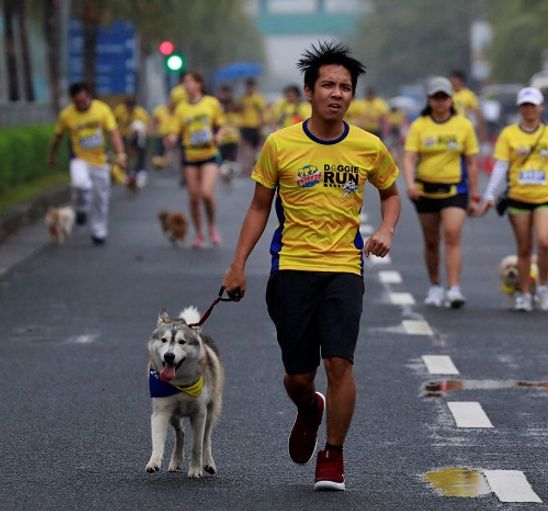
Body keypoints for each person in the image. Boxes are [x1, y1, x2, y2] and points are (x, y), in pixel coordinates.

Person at [222, 41, 400, 491]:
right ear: (309, 90)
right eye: (328, 85)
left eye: (345, 87)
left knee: (340, 362)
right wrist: (238, 264)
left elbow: (392, 193)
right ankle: (308, 407)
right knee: (299, 376)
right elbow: (259, 208)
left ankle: (333, 455)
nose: (337, 94)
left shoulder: (368, 146)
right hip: (292, 269)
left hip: (344, 268)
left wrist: (387, 229)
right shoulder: (280, 144)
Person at [479, 87, 548, 311]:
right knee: (524, 248)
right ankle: (524, 294)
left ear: (540, 107)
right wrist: (489, 195)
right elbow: (500, 166)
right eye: (525, 106)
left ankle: (542, 290)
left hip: (544, 196)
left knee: (544, 243)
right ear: (519, 108)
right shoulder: (508, 135)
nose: (529, 110)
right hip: (517, 197)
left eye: (533, 106)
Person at [403, 77, 479, 308]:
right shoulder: (420, 125)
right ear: (429, 100)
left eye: (444, 97)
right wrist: (409, 183)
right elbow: (409, 157)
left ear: (451, 100)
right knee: (431, 241)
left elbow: (472, 161)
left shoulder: (463, 125)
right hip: (425, 191)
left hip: (455, 190)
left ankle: (454, 287)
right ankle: (435, 285)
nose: (440, 102)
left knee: (452, 235)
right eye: (436, 98)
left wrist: (475, 195)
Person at [49, 82, 125, 246]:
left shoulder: (102, 110)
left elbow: (113, 133)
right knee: (80, 184)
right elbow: (58, 137)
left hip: (99, 160)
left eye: (84, 101)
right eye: (77, 102)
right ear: (72, 100)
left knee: (100, 197)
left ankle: (99, 231)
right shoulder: (67, 115)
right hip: (79, 159)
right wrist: (53, 156)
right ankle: (81, 208)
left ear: (89, 96)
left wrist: (120, 154)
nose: (81, 105)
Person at [170, 72, 226, 248]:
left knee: (206, 194)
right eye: (185, 83)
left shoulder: (211, 103)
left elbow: (222, 124)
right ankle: (199, 234)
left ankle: (211, 227)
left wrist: (219, 135)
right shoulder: (181, 108)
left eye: (190, 82)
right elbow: (175, 130)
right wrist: (171, 138)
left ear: (199, 84)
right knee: (194, 198)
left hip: (209, 154)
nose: (187, 86)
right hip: (190, 155)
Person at [113, 96, 150, 186]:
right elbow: (113, 123)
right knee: (122, 153)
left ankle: (140, 170)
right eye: (128, 107)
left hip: (135, 136)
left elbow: (145, 127)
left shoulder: (140, 113)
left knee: (141, 149)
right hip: (122, 135)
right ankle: (123, 171)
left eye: (132, 108)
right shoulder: (119, 111)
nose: (129, 110)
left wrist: (139, 134)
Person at [237, 78, 266, 171]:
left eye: (251, 87)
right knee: (247, 147)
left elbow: (261, 113)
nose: (249, 89)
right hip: (245, 125)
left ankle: (254, 166)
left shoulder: (258, 98)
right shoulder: (243, 99)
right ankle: (249, 167)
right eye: (247, 87)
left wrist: (261, 126)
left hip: (255, 125)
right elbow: (239, 111)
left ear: (254, 87)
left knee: (255, 148)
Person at [450, 70, 487, 142]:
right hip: (449, 127)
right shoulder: (448, 94)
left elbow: (477, 113)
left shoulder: (468, 95)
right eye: (451, 80)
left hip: (463, 127)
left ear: (460, 81)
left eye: (454, 80)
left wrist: (482, 131)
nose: (452, 82)